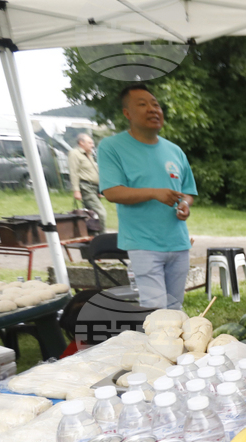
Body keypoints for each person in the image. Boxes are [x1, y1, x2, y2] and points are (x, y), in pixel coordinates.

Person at [98, 84, 197, 310]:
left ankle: (173, 345)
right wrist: (154, 193)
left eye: (155, 104)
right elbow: (112, 192)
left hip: (178, 242)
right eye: (142, 104)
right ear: (127, 114)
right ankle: (153, 345)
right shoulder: (112, 147)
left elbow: (188, 192)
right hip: (143, 244)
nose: (152, 109)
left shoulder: (175, 150)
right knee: (156, 311)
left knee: (174, 308)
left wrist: (185, 205)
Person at [67, 133, 106, 234]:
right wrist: (76, 190)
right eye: (90, 143)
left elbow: (94, 172)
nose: (92, 145)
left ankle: (93, 236)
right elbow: (74, 172)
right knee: (101, 213)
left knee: (92, 214)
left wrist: (99, 189)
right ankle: (102, 236)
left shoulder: (89, 155)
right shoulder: (75, 153)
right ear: (81, 143)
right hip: (85, 187)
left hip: (93, 188)